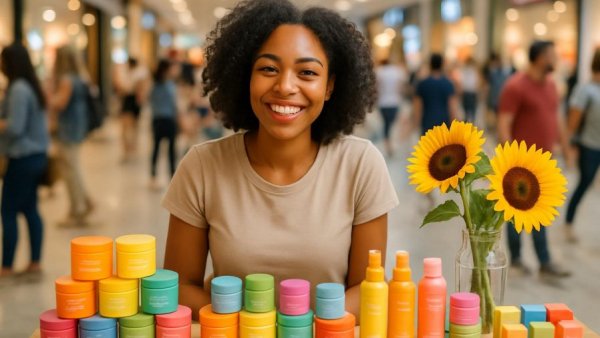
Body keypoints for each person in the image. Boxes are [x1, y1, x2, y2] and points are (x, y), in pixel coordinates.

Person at [162, 0, 399, 320]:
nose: (285, 86)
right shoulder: (203, 166)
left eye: (307, 72)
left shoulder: (360, 164)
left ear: (329, 86)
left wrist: (298, 328)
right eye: (268, 69)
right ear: (245, 77)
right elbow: (179, 285)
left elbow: (367, 287)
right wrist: (251, 326)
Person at [497, 40, 570, 278]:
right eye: (551, 55)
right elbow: (504, 122)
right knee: (515, 214)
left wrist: (566, 148)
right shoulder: (515, 86)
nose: (555, 59)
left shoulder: (551, 86)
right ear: (538, 57)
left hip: (545, 163)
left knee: (542, 212)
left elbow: (556, 118)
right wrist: (508, 159)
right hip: (520, 164)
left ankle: (544, 260)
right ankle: (517, 259)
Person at [0, 43, 49, 277]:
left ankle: (7, 266)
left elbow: (15, 127)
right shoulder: (29, 85)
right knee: (30, 209)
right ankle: (34, 263)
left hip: (23, 156)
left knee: (8, 210)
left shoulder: (18, 88)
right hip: (35, 155)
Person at [46, 45, 93, 226]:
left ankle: (78, 209)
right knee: (72, 167)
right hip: (77, 126)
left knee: (70, 170)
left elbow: (60, 102)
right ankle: (85, 202)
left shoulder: (66, 79)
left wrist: (48, 97)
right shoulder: (80, 76)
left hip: (68, 128)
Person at [564, 48, 600, 243]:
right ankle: (569, 223)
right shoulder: (586, 90)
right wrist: (568, 148)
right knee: (584, 184)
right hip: (589, 147)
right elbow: (572, 122)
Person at [412, 53, 458, 135]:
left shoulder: (422, 84)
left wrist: (415, 124)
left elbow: (417, 107)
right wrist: (454, 125)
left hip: (427, 122)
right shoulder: (448, 84)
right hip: (444, 123)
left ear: (430, 65)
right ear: (442, 65)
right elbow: (452, 107)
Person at [149, 59, 178, 188]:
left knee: (156, 148)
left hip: (157, 120)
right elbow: (174, 105)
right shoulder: (170, 86)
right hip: (169, 120)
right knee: (171, 149)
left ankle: (153, 176)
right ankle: (172, 176)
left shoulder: (154, 86)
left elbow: (149, 101)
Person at [118, 57, 149, 162]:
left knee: (126, 128)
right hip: (133, 101)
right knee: (133, 128)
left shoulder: (134, 74)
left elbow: (124, 89)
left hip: (130, 100)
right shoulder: (139, 73)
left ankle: (129, 151)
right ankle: (132, 150)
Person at [375, 58, 406, 156]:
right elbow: (401, 86)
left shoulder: (379, 72)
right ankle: (392, 143)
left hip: (383, 102)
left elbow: (376, 87)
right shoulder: (397, 71)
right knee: (392, 124)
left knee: (386, 124)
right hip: (394, 101)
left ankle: (388, 145)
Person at [459, 57, 480, 123]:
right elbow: (476, 83)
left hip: (467, 93)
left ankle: (468, 123)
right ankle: (470, 124)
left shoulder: (464, 71)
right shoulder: (473, 71)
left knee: (467, 110)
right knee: (471, 110)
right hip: (470, 93)